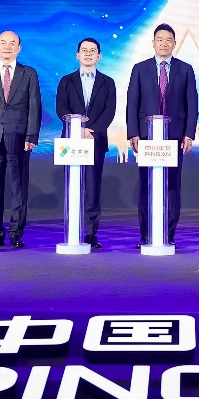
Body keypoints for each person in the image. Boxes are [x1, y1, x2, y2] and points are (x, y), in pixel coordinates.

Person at [126, 23, 197, 246]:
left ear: (174, 44)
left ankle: (168, 234)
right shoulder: (140, 68)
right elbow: (132, 103)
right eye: (160, 39)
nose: (164, 44)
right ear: (153, 43)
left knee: (172, 185)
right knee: (147, 185)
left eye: (168, 40)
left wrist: (189, 133)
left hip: (175, 136)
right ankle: (146, 234)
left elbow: (192, 104)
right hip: (147, 137)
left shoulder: (185, 69)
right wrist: (133, 133)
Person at [0, 30, 41, 249]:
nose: (7, 46)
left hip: (20, 137)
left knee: (18, 187)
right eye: (3, 43)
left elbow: (35, 107)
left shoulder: (28, 73)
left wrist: (31, 135)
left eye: (12, 43)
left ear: (19, 48)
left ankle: (16, 232)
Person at [55, 38, 117, 250]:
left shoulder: (107, 82)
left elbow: (109, 111)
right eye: (84, 50)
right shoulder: (66, 81)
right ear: (77, 55)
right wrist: (77, 128)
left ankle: (90, 233)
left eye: (92, 51)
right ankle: (72, 230)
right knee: (73, 186)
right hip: (71, 142)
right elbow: (61, 108)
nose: (88, 53)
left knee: (92, 188)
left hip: (95, 141)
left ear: (99, 56)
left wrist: (91, 130)